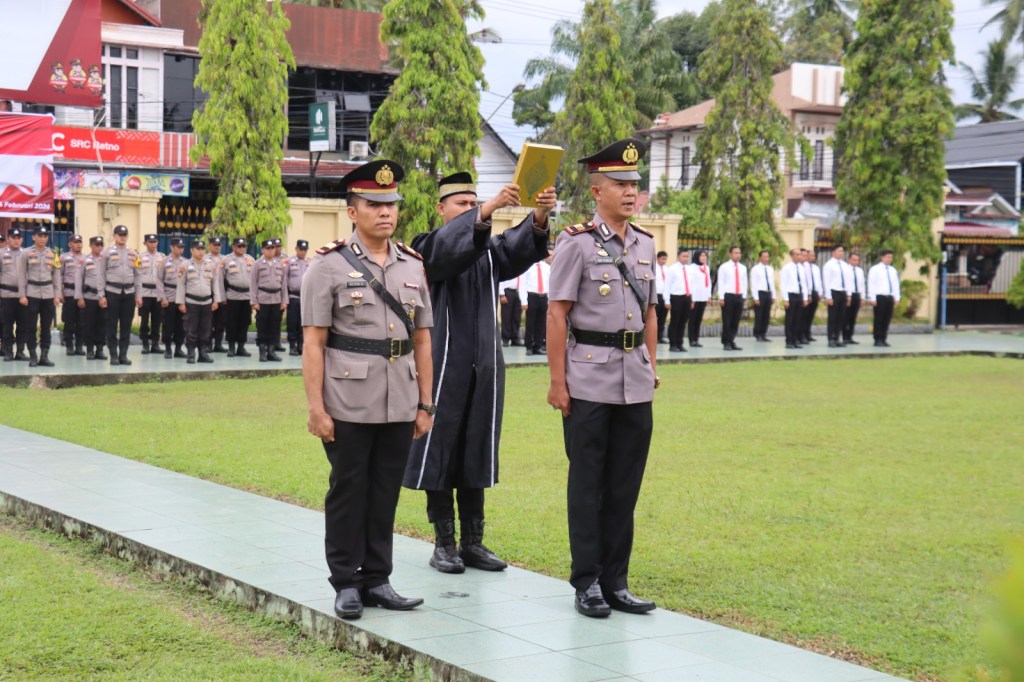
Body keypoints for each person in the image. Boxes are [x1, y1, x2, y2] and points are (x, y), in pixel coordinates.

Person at [403, 171, 555, 575]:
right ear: (441, 208)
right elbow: (445, 253)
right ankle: (444, 543)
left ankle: (473, 541)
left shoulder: (488, 251)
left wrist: (538, 216)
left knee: (476, 447)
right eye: (462, 205)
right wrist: (488, 209)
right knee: (440, 450)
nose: (470, 210)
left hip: (484, 368)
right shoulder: (424, 247)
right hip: (442, 369)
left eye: (474, 203)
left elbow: (518, 249)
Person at [301, 159, 434, 620]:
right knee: (349, 489)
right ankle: (346, 582)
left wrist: (426, 403)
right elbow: (314, 342)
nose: (385, 212)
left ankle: (378, 578)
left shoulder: (413, 266)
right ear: (352, 212)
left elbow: (422, 339)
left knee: (384, 492)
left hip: (401, 398)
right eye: (374, 204)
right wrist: (316, 408)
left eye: (391, 204)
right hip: (348, 400)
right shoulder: (328, 266)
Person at [547, 137, 659, 618]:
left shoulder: (646, 245)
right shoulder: (576, 243)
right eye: (620, 184)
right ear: (597, 191)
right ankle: (587, 581)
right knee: (587, 483)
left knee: (624, 486)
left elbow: (651, 311)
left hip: (635, 381)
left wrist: (653, 364)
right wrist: (557, 381)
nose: (630, 192)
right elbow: (556, 315)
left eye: (634, 183)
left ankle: (617, 580)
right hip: (589, 379)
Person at [16, 226, 60, 367]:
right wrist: (22, 295)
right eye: (40, 236)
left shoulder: (53, 253)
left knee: (46, 327)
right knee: (31, 327)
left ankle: (44, 356)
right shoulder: (26, 253)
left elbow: (56, 275)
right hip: (32, 294)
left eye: (45, 236)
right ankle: (33, 356)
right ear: (34, 237)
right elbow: (21, 275)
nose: (42, 238)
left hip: (48, 294)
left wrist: (57, 294)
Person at [97, 224, 140, 365]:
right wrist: (101, 295)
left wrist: (138, 295)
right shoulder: (106, 253)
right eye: (120, 235)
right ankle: (113, 355)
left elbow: (138, 276)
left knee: (126, 326)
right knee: (111, 325)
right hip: (112, 292)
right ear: (114, 236)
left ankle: (123, 355)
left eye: (125, 235)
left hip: (129, 293)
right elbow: (100, 275)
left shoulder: (134, 254)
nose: (122, 237)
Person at [176, 239, 223, 364]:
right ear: (192, 250)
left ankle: (203, 353)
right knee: (191, 329)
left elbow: (215, 284)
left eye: (202, 249)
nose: (201, 251)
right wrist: (180, 303)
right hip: (191, 302)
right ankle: (191, 353)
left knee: (205, 329)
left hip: (207, 302)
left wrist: (216, 300)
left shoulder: (210, 265)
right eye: (198, 249)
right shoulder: (185, 266)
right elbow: (181, 285)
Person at [251, 239, 287, 362]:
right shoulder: (257, 264)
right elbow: (253, 283)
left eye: (272, 248)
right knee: (262, 327)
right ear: (263, 249)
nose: (270, 251)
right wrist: (254, 301)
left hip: (276, 299)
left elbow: (283, 284)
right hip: (263, 299)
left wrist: (284, 301)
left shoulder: (279, 264)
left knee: (274, 326)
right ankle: (262, 351)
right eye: (267, 248)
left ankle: (271, 351)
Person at [74, 236, 108, 360]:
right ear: (91, 246)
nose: (99, 247)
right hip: (89, 297)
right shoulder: (84, 260)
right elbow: (78, 279)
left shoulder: (106, 259)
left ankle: (100, 349)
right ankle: (89, 349)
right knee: (89, 324)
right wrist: (80, 297)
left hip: (103, 298)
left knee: (102, 324)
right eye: (96, 245)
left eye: (101, 245)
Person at [158, 238, 187, 359]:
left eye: (182, 247)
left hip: (182, 297)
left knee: (181, 325)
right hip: (169, 296)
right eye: (178, 247)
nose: (180, 249)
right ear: (171, 247)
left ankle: (179, 349)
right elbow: (159, 281)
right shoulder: (163, 262)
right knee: (168, 324)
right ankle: (168, 348)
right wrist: (162, 297)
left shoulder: (186, 262)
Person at [135, 233, 164, 354]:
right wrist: (138, 295)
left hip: (157, 293)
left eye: (155, 241)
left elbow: (164, 277)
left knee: (157, 320)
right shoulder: (139, 257)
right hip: (145, 293)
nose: (153, 244)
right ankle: (145, 344)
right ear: (145, 243)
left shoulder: (162, 257)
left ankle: (155, 344)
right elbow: (137, 275)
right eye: (150, 242)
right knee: (144, 320)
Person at [1, 229, 26, 361]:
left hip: (23, 296)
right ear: (8, 239)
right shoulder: (1, 253)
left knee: (23, 325)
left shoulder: (27, 253)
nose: (16, 240)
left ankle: (20, 352)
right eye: (13, 237)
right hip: (7, 295)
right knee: (7, 325)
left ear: (21, 239)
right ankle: (9, 352)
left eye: (18, 238)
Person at [522, 247, 552, 356]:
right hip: (532, 296)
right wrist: (523, 301)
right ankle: (529, 346)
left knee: (541, 323)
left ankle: (538, 346)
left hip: (543, 296)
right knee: (530, 323)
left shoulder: (547, 267)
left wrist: (549, 298)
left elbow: (550, 284)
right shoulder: (528, 266)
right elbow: (523, 284)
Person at [717, 246, 747, 351]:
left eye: (739, 253)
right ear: (730, 254)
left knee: (736, 320)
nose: (738, 255)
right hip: (728, 296)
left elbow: (744, 283)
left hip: (739, 296)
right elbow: (721, 282)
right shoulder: (724, 267)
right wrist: (721, 298)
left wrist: (744, 297)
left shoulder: (743, 268)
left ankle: (731, 340)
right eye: (735, 253)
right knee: (727, 320)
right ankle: (726, 342)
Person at [868, 249, 900, 347]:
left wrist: (896, 297)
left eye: (891, 257)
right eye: (887, 257)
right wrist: (872, 297)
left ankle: (883, 338)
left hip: (889, 297)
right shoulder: (875, 269)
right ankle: (877, 339)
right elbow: (871, 284)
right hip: (879, 297)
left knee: (887, 319)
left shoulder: (892, 270)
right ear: (882, 257)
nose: (889, 259)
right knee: (879, 319)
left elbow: (895, 285)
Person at [59, 234, 85, 355]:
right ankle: (69, 345)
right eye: (75, 242)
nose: (78, 244)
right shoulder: (63, 258)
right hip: (69, 293)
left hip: (83, 295)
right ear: (70, 244)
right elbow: (59, 276)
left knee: (81, 322)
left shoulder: (86, 258)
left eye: (80, 242)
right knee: (69, 322)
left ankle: (79, 346)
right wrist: (59, 293)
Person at [822, 245, 852, 348]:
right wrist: (828, 297)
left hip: (843, 292)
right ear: (833, 252)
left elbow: (848, 281)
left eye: (842, 251)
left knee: (841, 318)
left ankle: (837, 338)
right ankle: (831, 339)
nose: (841, 253)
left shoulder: (845, 265)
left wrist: (848, 295)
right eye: (839, 251)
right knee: (832, 318)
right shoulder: (829, 265)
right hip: (834, 292)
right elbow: (827, 281)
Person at [285, 239, 310, 355]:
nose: (303, 252)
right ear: (296, 249)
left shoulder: (310, 263)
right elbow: (284, 281)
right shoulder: (289, 262)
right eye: (301, 249)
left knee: (303, 323)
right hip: (293, 297)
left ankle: (301, 345)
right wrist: (284, 298)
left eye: (305, 250)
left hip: (305, 298)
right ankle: (292, 345)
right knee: (293, 322)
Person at [664, 248, 693, 353]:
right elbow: (667, 285)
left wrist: (692, 299)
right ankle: (673, 344)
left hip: (687, 297)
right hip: (676, 297)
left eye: (687, 256)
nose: (686, 258)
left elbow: (691, 284)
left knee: (683, 322)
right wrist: (667, 300)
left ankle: (680, 343)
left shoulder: (689, 269)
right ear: (678, 257)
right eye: (684, 256)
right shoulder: (672, 269)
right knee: (675, 321)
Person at [780, 248, 808, 349]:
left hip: (799, 295)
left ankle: (795, 339)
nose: (799, 256)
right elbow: (783, 284)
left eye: (800, 254)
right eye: (796, 254)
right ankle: (789, 341)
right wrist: (786, 299)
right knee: (790, 320)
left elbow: (804, 283)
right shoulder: (787, 268)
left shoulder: (802, 268)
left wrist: (804, 298)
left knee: (798, 319)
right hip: (791, 295)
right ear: (792, 256)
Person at [750, 250, 776, 342]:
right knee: (759, 315)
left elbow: (772, 283)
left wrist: (773, 295)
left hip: (768, 293)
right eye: (764, 256)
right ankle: (757, 334)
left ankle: (763, 333)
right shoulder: (755, 269)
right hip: (760, 293)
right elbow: (754, 284)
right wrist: (756, 297)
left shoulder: (770, 269)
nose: (766, 258)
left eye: (767, 257)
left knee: (766, 315)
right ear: (760, 257)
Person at [207, 237, 227, 353]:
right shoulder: (204, 258)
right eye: (214, 244)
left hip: (222, 295)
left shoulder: (225, 259)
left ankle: (218, 344)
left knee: (220, 322)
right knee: (209, 322)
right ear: (209, 245)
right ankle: (208, 344)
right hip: (209, 296)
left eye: (219, 244)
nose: (217, 246)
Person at [688, 249, 711, 347]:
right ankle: (691, 339)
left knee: (699, 319)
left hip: (703, 297)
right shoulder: (692, 268)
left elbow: (708, 283)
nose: (704, 258)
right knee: (692, 319)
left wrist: (709, 295)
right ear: (697, 257)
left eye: (705, 256)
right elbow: (690, 284)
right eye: (702, 256)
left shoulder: (706, 268)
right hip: (695, 298)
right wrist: (691, 299)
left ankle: (696, 339)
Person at [801, 249, 823, 344]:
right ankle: (802, 335)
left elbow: (818, 281)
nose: (813, 257)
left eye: (814, 256)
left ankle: (808, 333)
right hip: (807, 293)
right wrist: (808, 294)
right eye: (811, 255)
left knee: (811, 315)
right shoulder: (803, 267)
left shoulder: (816, 268)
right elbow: (806, 282)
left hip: (815, 293)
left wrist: (820, 292)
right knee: (804, 315)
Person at [844, 252, 865, 345]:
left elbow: (862, 285)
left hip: (857, 295)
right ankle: (845, 337)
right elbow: (846, 284)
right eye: (854, 260)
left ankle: (850, 336)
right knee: (846, 317)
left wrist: (863, 297)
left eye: (857, 260)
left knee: (853, 317)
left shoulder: (860, 271)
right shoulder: (845, 270)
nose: (856, 262)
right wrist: (848, 296)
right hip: (849, 294)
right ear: (849, 260)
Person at [499, 274, 523, 347]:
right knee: (506, 316)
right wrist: (501, 294)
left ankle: (515, 338)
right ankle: (505, 339)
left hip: (519, 291)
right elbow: (501, 280)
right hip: (507, 291)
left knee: (517, 316)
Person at [654, 250, 669, 343]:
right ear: (658, 258)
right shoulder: (653, 268)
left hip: (665, 296)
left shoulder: (667, 269)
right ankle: (653, 337)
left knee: (662, 318)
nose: (664, 261)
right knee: (654, 318)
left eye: (665, 259)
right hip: (656, 296)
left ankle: (660, 337)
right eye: (662, 259)